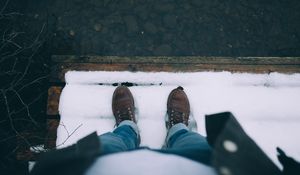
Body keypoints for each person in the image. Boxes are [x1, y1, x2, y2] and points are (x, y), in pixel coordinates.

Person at [31, 86, 300, 175]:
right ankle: (177, 128)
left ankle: (128, 128)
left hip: (105, 168)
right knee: (192, 143)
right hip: (203, 166)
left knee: (112, 143)